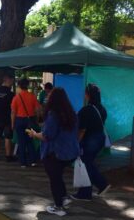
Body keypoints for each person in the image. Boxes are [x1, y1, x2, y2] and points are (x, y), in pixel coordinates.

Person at [27, 87, 80, 216]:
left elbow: (47, 136)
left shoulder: (53, 114)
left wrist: (34, 134)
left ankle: (59, 207)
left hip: (55, 153)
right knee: (58, 175)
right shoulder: (71, 113)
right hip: (70, 153)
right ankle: (64, 198)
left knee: (54, 179)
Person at [71, 83, 111, 201]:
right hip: (100, 140)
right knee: (88, 163)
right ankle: (94, 188)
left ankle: (91, 190)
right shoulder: (102, 109)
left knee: (85, 164)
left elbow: (82, 130)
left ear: (88, 95)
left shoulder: (86, 110)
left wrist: (76, 143)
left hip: (89, 141)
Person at [11, 78, 41, 167]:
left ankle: (23, 162)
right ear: (27, 85)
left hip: (19, 121)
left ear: (19, 86)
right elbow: (38, 109)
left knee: (21, 141)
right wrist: (37, 118)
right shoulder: (32, 96)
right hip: (30, 121)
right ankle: (33, 161)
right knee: (30, 141)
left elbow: (13, 112)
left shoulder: (16, 97)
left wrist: (13, 124)